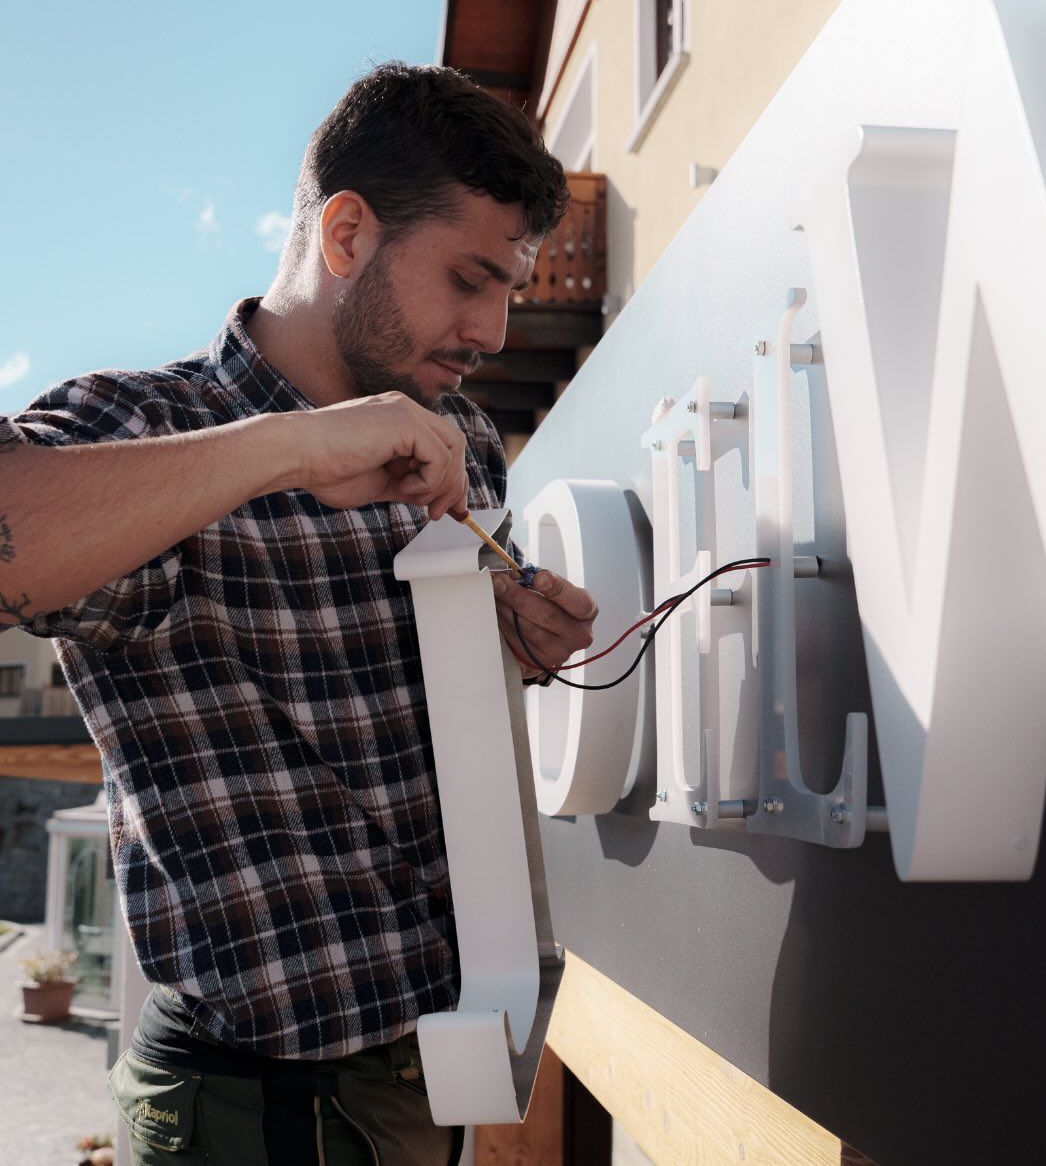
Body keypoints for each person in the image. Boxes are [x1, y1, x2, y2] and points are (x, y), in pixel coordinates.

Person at [0, 63, 598, 1165]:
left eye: (508, 286)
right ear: (346, 232)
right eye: (470, 278)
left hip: (444, 1065)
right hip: (252, 1106)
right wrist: (296, 448)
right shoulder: (144, 423)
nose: (497, 328)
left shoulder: (457, 435)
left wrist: (508, 646)